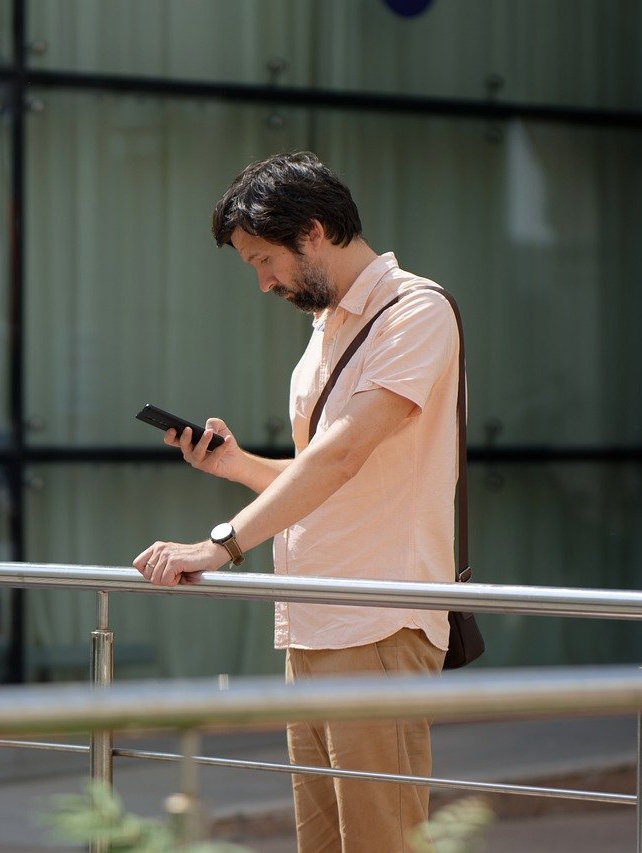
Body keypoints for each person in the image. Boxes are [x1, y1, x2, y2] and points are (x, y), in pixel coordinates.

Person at [133, 151, 461, 852]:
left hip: (378, 621)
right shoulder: (327, 330)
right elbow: (332, 476)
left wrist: (219, 545)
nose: (263, 282)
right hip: (313, 621)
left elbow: (341, 454)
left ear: (313, 231)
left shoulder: (416, 312)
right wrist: (237, 465)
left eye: (263, 259)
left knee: (382, 842)